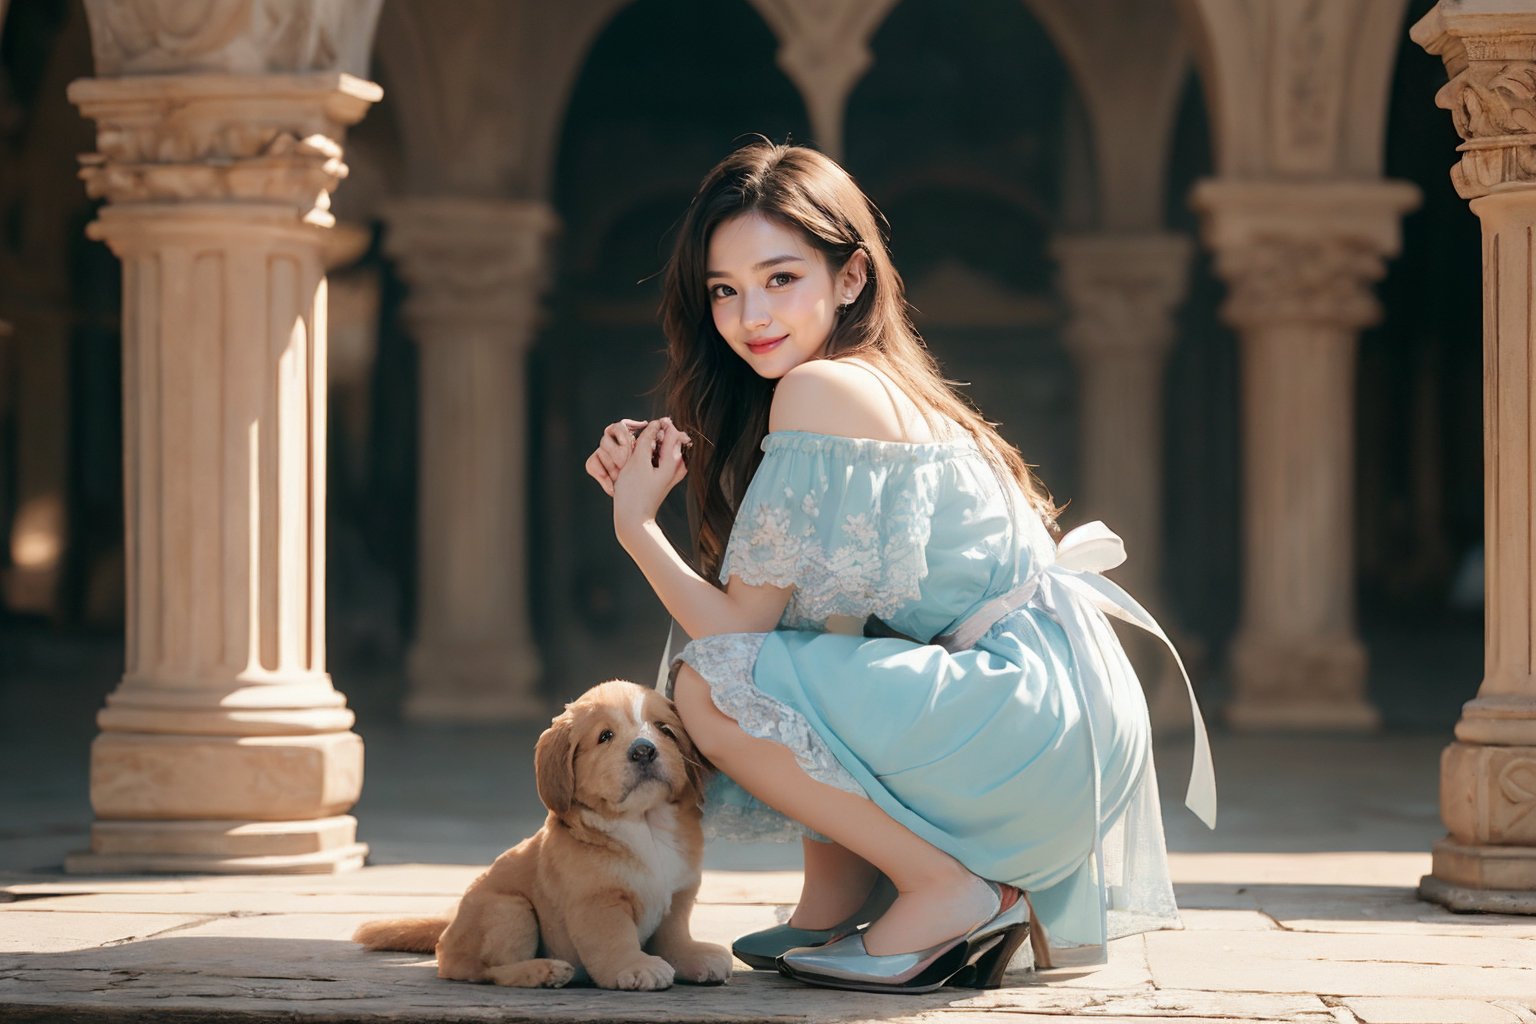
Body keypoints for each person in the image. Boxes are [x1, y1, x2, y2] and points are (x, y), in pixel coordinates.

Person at [584, 141, 1215, 994]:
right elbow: (824, 618)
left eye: (780, 278)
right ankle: (837, 896)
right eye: (724, 291)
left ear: (850, 279)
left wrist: (634, 523)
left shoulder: (822, 390)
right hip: (1062, 720)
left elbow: (739, 635)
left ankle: (946, 890)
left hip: (1031, 722)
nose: (749, 315)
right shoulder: (875, 382)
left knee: (711, 681)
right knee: (794, 649)